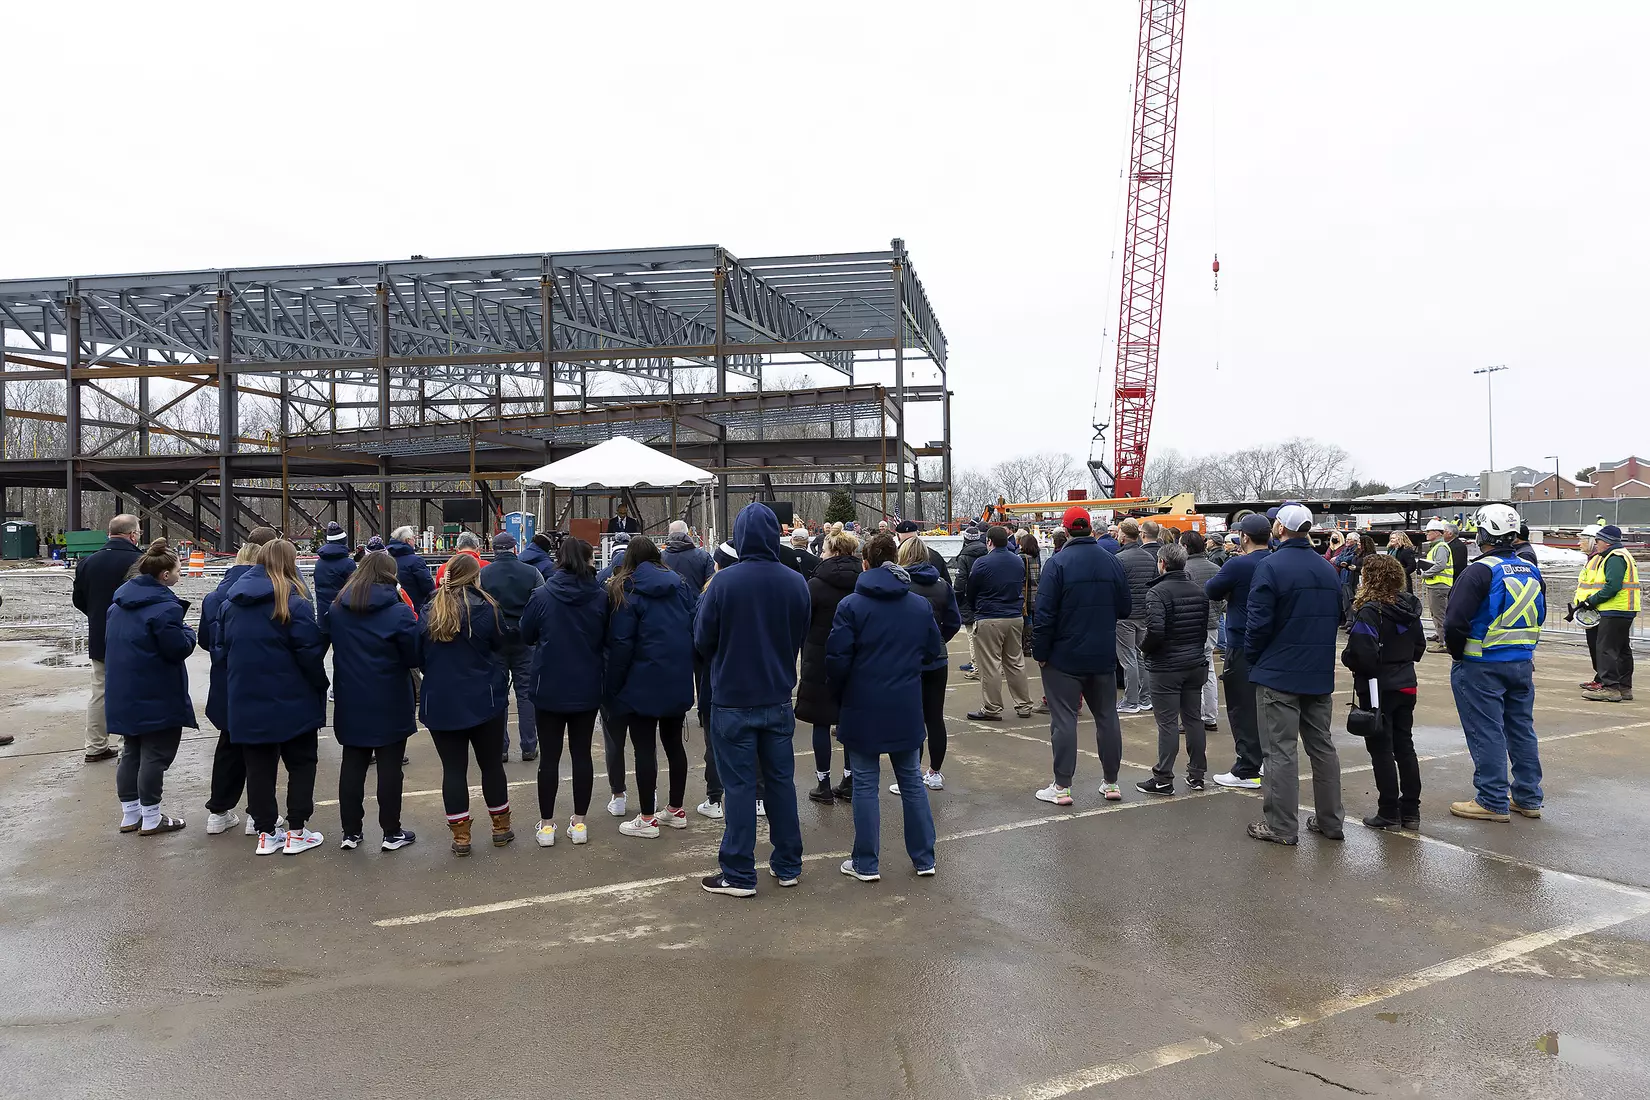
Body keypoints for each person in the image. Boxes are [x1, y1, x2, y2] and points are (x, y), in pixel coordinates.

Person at [693, 502, 810, 898]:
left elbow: (702, 638)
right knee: (780, 783)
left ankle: (739, 872)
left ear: (740, 537)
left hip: (732, 699)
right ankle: (788, 863)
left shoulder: (723, 583)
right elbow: (800, 634)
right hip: (777, 696)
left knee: (740, 787)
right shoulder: (796, 582)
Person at [827, 533, 945, 881]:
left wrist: (841, 694)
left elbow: (837, 660)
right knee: (910, 779)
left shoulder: (851, 606)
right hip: (904, 702)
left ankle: (866, 862)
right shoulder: (917, 605)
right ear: (895, 559)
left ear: (866, 563)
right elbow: (930, 651)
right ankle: (924, 858)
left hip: (863, 703)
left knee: (865, 783)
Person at [218, 539, 329, 855]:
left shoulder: (230, 604)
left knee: (259, 768)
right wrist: (319, 684)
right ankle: (297, 830)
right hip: (292, 698)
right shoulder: (294, 603)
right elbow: (310, 653)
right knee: (302, 764)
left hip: (246, 698)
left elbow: (222, 650)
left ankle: (266, 832)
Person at [1243, 504, 1345, 845]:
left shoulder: (1271, 567)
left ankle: (1281, 825)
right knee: (1322, 747)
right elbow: (1337, 616)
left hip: (1279, 673)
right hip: (1317, 672)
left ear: (1280, 529)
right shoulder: (1327, 568)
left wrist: (1255, 659)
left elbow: (1258, 624)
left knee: (1280, 752)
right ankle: (1331, 820)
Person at [1445, 504, 1547, 822]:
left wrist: (1458, 653)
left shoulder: (1479, 571)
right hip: (1520, 662)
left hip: (1481, 663)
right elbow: (1540, 614)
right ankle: (1528, 798)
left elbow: (1454, 622)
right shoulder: (1530, 569)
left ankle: (1491, 799)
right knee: (1521, 730)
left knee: (1487, 730)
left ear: (1483, 534)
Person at [1031, 507, 1132, 805]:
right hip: (1101, 654)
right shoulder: (1112, 562)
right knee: (1107, 718)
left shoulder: (1057, 563)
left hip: (1064, 656)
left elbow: (1044, 613)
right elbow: (1124, 607)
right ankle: (1111, 782)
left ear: (1064, 529)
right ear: (1089, 528)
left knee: (1064, 721)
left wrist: (1041, 652)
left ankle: (1062, 787)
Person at [604, 536, 698, 838]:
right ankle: (675, 809)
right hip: (676, 675)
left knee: (644, 748)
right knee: (673, 744)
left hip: (641, 679)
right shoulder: (680, 585)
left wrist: (612, 685)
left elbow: (621, 643)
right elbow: (692, 623)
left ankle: (646, 818)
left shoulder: (627, 589)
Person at [419, 554, 512, 855]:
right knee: (491, 765)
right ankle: (501, 826)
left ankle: (461, 836)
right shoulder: (487, 608)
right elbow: (502, 645)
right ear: (475, 577)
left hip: (441, 699)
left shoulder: (429, 609)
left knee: (453, 770)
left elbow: (415, 654)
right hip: (483, 696)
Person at [328, 551, 420, 851]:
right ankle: (391, 831)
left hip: (350, 694)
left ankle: (350, 831)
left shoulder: (338, 608)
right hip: (389, 695)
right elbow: (413, 656)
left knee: (353, 764)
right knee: (390, 767)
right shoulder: (398, 612)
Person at [519, 537, 608, 848]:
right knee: (582, 754)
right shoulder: (600, 596)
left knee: (550, 758)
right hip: (586, 684)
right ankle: (579, 822)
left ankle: (546, 825)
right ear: (588, 560)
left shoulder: (542, 595)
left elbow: (526, 633)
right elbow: (608, 637)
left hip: (549, 685)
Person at [105, 539, 196, 835]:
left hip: (124, 689)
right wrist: (188, 630)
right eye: (178, 568)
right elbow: (177, 648)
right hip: (157, 691)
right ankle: (153, 816)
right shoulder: (165, 608)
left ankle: (130, 814)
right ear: (165, 575)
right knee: (156, 754)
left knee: (131, 750)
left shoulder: (117, 604)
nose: (181, 572)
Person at [198, 526, 278, 835]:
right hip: (261, 680)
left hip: (225, 680)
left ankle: (219, 810)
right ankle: (260, 816)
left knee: (229, 744)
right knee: (263, 751)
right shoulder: (276, 591)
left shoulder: (214, 596)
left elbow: (206, 640)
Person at [1342, 554, 1425, 831]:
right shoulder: (1410, 608)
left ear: (1369, 578)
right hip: (1406, 682)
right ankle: (1411, 811)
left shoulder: (1370, 611)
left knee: (1381, 749)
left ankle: (1388, 810)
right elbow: (1419, 648)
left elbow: (1362, 655)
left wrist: (1348, 656)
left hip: (1378, 686)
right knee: (1405, 746)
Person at [794, 529, 863, 803]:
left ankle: (823, 782)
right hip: (855, 657)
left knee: (821, 723)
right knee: (850, 721)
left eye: (823, 550)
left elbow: (802, 620)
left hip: (819, 658)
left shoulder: (815, 584)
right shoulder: (864, 580)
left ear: (832, 551)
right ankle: (849, 778)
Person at [1137, 543, 1211, 795]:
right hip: (1194, 661)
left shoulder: (1157, 592)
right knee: (1193, 719)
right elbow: (1202, 628)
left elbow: (1156, 631)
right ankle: (1197, 775)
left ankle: (1163, 778)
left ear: (1162, 563)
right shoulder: (1198, 591)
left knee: (1167, 723)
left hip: (1167, 665)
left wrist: (1144, 648)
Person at [1206, 514, 1272, 789]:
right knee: (1269, 707)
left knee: (1242, 707)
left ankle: (1247, 769)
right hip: (1273, 643)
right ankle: (1266, 761)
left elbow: (1211, 589)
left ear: (1244, 537)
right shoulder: (1275, 561)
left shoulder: (1239, 564)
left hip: (1242, 641)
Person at [72, 513, 144, 763]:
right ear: (133, 534)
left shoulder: (87, 562)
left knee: (99, 692)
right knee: (130, 691)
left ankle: (95, 745)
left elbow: (79, 600)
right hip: (132, 638)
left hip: (99, 636)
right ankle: (128, 747)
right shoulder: (139, 561)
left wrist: (97, 616)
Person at [896, 535, 961, 791]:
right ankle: (934, 772)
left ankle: (910, 773)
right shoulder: (942, 584)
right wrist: (938, 640)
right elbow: (954, 621)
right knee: (935, 717)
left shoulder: (900, 585)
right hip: (937, 658)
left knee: (909, 717)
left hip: (906, 658)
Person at [479, 531, 544, 761]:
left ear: (494, 550)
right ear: (515, 549)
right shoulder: (532, 573)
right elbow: (539, 605)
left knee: (498, 694)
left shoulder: (483, 574)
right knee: (526, 694)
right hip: (525, 640)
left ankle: (501, 747)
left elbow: (479, 606)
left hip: (495, 639)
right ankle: (529, 745)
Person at [965, 526, 1034, 721]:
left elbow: (971, 590)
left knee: (990, 665)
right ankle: (1024, 705)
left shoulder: (982, 563)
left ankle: (992, 708)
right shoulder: (1018, 561)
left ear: (989, 542)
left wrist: (974, 609)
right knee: (1015, 662)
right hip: (1014, 616)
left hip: (989, 616)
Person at [1577, 524, 1638, 703]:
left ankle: (1610, 687)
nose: (1596, 544)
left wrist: (1592, 601)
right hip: (1624, 608)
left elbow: (1612, 586)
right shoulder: (1621, 555)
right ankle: (1624, 686)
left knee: (1606, 648)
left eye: (1598, 541)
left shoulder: (1615, 557)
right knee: (1622, 649)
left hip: (1615, 609)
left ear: (1607, 542)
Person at [1114, 518, 1160, 713]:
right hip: (1144, 613)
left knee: (1129, 659)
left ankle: (1131, 700)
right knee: (1141, 657)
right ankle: (1145, 698)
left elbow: (1114, 588)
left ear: (1124, 536)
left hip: (1126, 615)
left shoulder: (1119, 559)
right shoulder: (1149, 558)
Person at [1180, 530, 1221, 732]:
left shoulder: (1184, 570)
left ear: (1185, 547)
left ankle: (1193, 716)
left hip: (1190, 626)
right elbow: (1222, 600)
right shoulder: (1215, 568)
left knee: (1189, 674)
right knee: (1209, 671)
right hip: (1211, 624)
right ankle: (1209, 716)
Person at [953, 524, 988, 679]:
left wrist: (957, 595)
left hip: (969, 597)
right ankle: (993, 666)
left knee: (971, 634)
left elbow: (960, 579)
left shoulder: (964, 556)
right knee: (987, 636)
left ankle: (976, 666)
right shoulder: (987, 552)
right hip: (987, 596)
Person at [312, 520, 356, 639]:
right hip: (343, 616)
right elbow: (354, 591)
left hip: (323, 615)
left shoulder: (319, 563)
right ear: (343, 541)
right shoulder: (348, 564)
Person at [1417, 519, 1456, 651]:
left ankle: (1444, 643)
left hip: (1439, 586)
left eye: (1429, 531)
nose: (1426, 534)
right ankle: (1443, 641)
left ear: (1437, 533)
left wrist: (1425, 573)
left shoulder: (1441, 547)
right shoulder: (1438, 547)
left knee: (1439, 615)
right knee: (1438, 614)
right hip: (1437, 585)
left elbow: (1440, 564)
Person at [388, 526, 436, 612]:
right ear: (407, 540)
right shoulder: (416, 561)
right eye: (413, 538)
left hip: (391, 607)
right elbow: (428, 587)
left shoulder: (386, 559)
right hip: (414, 608)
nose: (414, 541)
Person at [661, 519, 714, 592]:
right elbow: (711, 585)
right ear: (687, 533)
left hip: (667, 602)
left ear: (669, 534)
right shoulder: (703, 556)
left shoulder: (659, 558)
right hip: (696, 601)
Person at [896, 519, 953, 585]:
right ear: (917, 534)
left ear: (898, 536)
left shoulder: (894, 556)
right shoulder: (935, 555)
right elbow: (948, 584)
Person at [1018, 532, 1042, 657]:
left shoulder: (1021, 558)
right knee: (1032, 618)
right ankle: (1032, 644)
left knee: (1027, 620)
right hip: (1036, 592)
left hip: (1025, 593)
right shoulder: (1036, 557)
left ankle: (1026, 646)